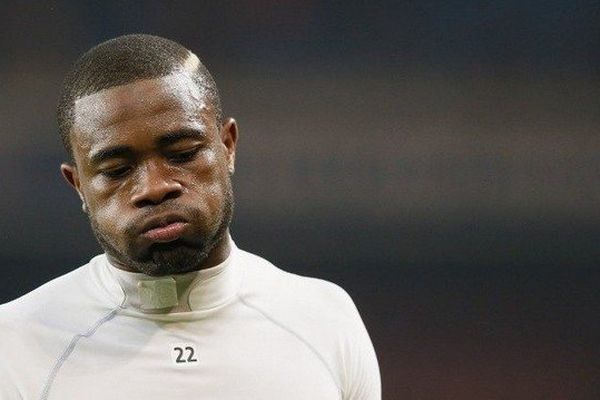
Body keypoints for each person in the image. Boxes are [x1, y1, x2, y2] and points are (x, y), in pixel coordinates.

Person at [0, 34, 380, 399]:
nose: (154, 187)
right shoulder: (14, 344)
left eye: (182, 153)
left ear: (227, 146)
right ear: (78, 185)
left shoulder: (325, 320)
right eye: (116, 170)